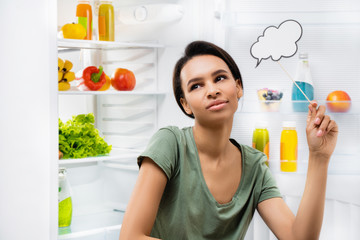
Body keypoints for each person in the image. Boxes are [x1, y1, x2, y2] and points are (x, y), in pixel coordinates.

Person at [119, 41, 338, 240]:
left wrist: (319, 157)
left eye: (220, 78)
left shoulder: (254, 168)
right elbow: (130, 237)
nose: (212, 90)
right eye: (197, 85)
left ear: (238, 88)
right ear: (186, 105)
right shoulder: (171, 143)